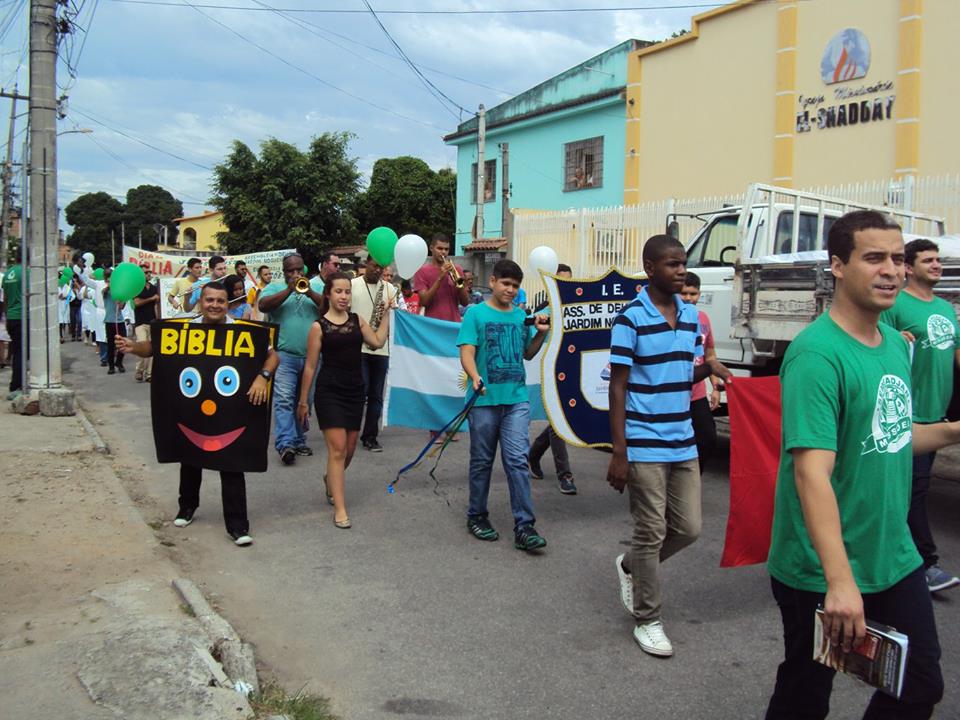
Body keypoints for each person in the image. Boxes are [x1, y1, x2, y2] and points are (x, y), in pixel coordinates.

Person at [765, 210, 950, 719]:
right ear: (838, 266)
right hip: (820, 568)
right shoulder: (817, 355)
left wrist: (955, 430)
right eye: (874, 258)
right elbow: (811, 473)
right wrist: (840, 581)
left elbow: (893, 437)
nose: (891, 270)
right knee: (806, 694)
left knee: (919, 685)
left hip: (893, 554)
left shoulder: (892, 344)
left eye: (897, 258)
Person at [607, 235, 732, 658]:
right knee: (650, 531)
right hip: (643, 441)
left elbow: (680, 373)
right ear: (650, 268)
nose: (681, 271)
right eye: (672, 264)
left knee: (689, 528)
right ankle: (648, 619)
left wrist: (709, 369)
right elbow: (618, 386)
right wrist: (620, 452)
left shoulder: (693, 316)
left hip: (683, 439)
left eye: (683, 263)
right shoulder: (630, 319)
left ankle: (631, 566)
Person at [117, 282, 279, 546]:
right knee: (190, 457)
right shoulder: (184, 328)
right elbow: (155, 347)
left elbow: (272, 357)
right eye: (209, 300)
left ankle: (238, 525)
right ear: (201, 302)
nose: (215, 305)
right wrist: (132, 347)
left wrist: (263, 377)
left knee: (232, 463)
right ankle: (187, 507)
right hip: (192, 409)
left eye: (220, 301)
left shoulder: (244, 331)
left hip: (231, 412)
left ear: (228, 304)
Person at [878, 239, 960, 593]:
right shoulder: (896, 304)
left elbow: (956, 352)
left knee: (910, 491)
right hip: (909, 416)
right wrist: (896, 338)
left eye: (938, 260)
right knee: (913, 491)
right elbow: (877, 343)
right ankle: (924, 565)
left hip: (936, 413)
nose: (937, 265)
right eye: (928, 260)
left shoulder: (945, 307)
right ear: (909, 268)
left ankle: (893, 557)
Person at [458, 258, 550, 552]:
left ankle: (525, 525)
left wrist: (541, 334)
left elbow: (528, 354)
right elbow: (467, 352)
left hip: (516, 401)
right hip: (484, 401)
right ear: (493, 282)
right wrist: (475, 377)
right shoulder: (475, 314)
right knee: (482, 461)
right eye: (506, 283)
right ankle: (477, 515)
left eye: (515, 286)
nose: (510, 290)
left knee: (517, 461)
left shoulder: (521, 317)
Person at [297, 272, 390, 528]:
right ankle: (340, 508)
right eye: (338, 291)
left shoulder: (357, 320)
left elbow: (377, 342)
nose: (344, 296)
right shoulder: (318, 327)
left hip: (355, 390)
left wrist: (387, 315)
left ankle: (330, 478)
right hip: (329, 391)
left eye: (347, 292)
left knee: (349, 449)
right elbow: (310, 366)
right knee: (337, 449)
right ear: (328, 294)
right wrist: (303, 401)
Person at [259, 253, 325, 465]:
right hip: (284, 355)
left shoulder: (316, 287)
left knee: (305, 401)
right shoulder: (274, 287)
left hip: (311, 356)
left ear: (304, 269)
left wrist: (309, 292)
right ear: (284, 271)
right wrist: (289, 289)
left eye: (298, 270)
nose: (295, 274)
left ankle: (298, 440)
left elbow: (328, 308)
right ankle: (285, 444)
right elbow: (263, 305)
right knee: (284, 400)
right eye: (290, 271)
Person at [529, 263, 577, 495]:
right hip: (551, 375)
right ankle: (565, 474)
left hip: (572, 372)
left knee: (561, 421)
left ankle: (533, 454)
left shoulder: (577, 309)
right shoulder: (543, 313)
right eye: (560, 281)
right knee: (559, 421)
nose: (564, 286)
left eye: (568, 281)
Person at [351, 257, 398, 453]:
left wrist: (392, 309)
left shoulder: (389, 288)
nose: (378, 270)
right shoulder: (352, 285)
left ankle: (370, 436)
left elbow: (398, 316)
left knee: (376, 396)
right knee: (359, 392)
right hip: (358, 347)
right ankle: (350, 432)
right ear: (366, 264)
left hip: (381, 349)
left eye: (381, 267)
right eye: (374, 266)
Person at [680, 272, 721, 472]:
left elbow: (709, 355)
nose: (689, 298)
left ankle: (693, 477)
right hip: (675, 393)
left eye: (693, 294)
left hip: (697, 394)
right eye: (684, 293)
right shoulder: (670, 317)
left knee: (707, 438)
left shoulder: (703, 318)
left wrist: (715, 387)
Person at [414, 233, 469, 322]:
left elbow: (465, 302)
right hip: (433, 324)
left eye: (446, 249)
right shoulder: (421, 271)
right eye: (439, 248)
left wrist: (459, 285)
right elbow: (424, 302)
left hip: (453, 323)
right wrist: (440, 277)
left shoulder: (457, 269)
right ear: (431, 248)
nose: (443, 252)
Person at [132, 264, 160, 382]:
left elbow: (156, 305)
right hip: (141, 322)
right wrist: (151, 299)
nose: (148, 274)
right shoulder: (136, 288)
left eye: (149, 272)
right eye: (146, 272)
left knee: (152, 348)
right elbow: (136, 303)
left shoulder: (153, 288)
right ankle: (139, 370)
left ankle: (149, 373)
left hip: (152, 321)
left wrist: (158, 319)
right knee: (141, 346)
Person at [1, 249, 23, 398]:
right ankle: (17, 385)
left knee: (16, 351)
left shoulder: (8, 274)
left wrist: (6, 315)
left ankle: (16, 383)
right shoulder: (27, 273)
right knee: (22, 352)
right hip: (23, 317)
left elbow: (6, 298)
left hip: (11, 317)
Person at [102, 267, 127, 375]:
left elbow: (122, 307)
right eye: (108, 279)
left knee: (123, 342)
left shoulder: (121, 292)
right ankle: (111, 366)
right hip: (109, 321)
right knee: (111, 345)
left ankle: (119, 362)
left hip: (119, 321)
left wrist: (121, 301)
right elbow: (106, 293)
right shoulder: (105, 291)